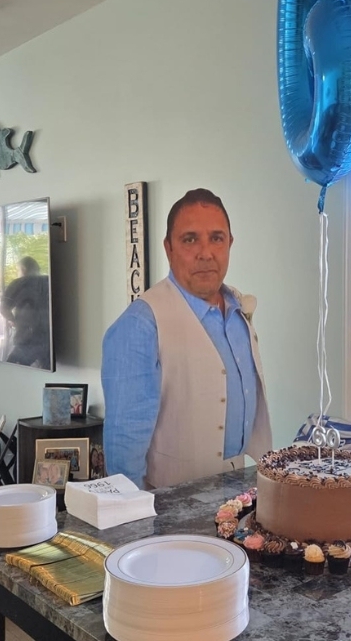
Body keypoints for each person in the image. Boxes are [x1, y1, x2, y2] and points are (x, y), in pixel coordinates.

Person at [101, 188, 272, 489]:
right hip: (169, 510)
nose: (205, 253)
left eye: (216, 238)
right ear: (169, 248)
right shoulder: (141, 325)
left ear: (230, 243)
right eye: (190, 239)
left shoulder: (236, 311)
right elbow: (124, 454)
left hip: (242, 490)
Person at [0, 256, 51, 367]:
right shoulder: (48, 281)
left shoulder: (19, 283)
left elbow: (4, 309)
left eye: (17, 270)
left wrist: (13, 320)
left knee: (9, 369)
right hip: (49, 339)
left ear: (23, 269)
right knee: (46, 368)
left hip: (26, 337)